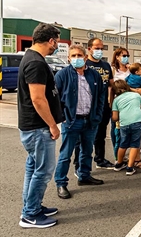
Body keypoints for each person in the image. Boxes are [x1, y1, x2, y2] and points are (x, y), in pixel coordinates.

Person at [18, 23, 63, 229]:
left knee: (33, 168)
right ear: (51, 40)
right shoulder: (36, 63)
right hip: (38, 127)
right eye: (57, 40)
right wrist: (52, 125)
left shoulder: (32, 58)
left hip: (33, 126)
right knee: (43, 170)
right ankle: (30, 214)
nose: (57, 44)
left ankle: (32, 206)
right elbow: (38, 99)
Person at [54, 45, 105, 200]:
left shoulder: (94, 75)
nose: (77, 58)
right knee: (66, 154)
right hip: (71, 121)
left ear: (85, 57)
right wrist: (63, 117)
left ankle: (84, 175)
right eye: (73, 55)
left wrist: (97, 115)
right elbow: (55, 99)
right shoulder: (62, 75)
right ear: (69, 58)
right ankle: (61, 183)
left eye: (79, 55)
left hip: (90, 121)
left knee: (87, 150)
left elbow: (101, 96)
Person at [85, 38, 115, 169]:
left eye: (101, 48)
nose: (99, 51)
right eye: (97, 48)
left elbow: (111, 84)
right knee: (85, 136)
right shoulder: (85, 64)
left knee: (101, 134)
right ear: (89, 48)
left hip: (103, 105)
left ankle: (100, 159)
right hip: (88, 106)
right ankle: (81, 164)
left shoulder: (106, 65)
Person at [112, 80, 141, 175]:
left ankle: (119, 163)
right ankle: (130, 167)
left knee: (123, 144)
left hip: (124, 123)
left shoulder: (116, 100)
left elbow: (115, 117)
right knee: (135, 144)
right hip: (137, 121)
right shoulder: (136, 95)